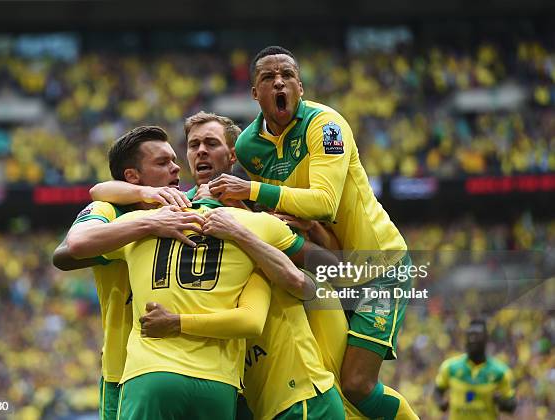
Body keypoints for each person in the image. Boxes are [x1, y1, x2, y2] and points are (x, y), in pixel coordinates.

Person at [208, 45, 417, 419]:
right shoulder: (248, 147)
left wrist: (251, 190)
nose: (279, 83)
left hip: (379, 266)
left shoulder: (326, 125)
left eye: (287, 76)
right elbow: (282, 212)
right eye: (268, 78)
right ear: (255, 93)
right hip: (331, 270)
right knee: (336, 385)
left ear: (300, 87)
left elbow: (323, 202)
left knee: (357, 383)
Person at [93, 111, 347, 419]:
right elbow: (100, 191)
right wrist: (145, 192)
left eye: (210, 143)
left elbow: (333, 268)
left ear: (232, 155)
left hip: (290, 387)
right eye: (193, 144)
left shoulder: (260, 210)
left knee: (362, 388)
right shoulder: (173, 209)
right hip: (236, 387)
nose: (200, 150)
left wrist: (310, 228)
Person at [101, 197, 306, 419]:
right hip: (220, 383)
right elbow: (326, 270)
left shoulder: (136, 222)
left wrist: (130, 196)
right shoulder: (260, 226)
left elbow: (72, 250)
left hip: (152, 372)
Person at [52, 126, 201, 420]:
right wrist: (145, 225)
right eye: (162, 163)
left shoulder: (188, 206)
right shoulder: (108, 211)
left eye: (174, 160)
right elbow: (66, 253)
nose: (175, 168)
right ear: (133, 176)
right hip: (125, 372)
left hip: (195, 367)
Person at [435, 318, 516, 419]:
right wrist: (440, 402)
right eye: (470, 335)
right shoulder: (450, 367)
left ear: (486, 338)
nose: (472, 339)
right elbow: (438, 390)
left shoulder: (500, 372)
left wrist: (501, 402)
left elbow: (512, 405)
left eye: (477, 335)